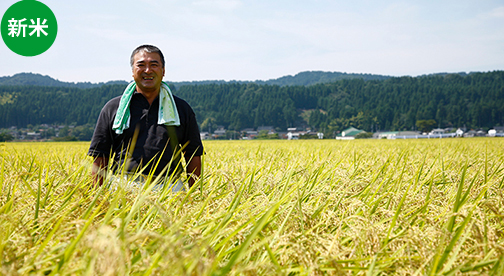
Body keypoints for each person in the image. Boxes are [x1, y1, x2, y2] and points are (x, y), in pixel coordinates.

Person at [88, 44, 204, 189]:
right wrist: (96, 197)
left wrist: (196, 194)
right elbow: (100, 155)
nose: (147, 70)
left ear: (163, 71)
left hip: (170, 186)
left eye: (154, 65)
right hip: (124, 186)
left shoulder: (181, 108)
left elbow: (193, 154)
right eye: (141, 65)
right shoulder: (114, 108)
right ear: (132, 71)